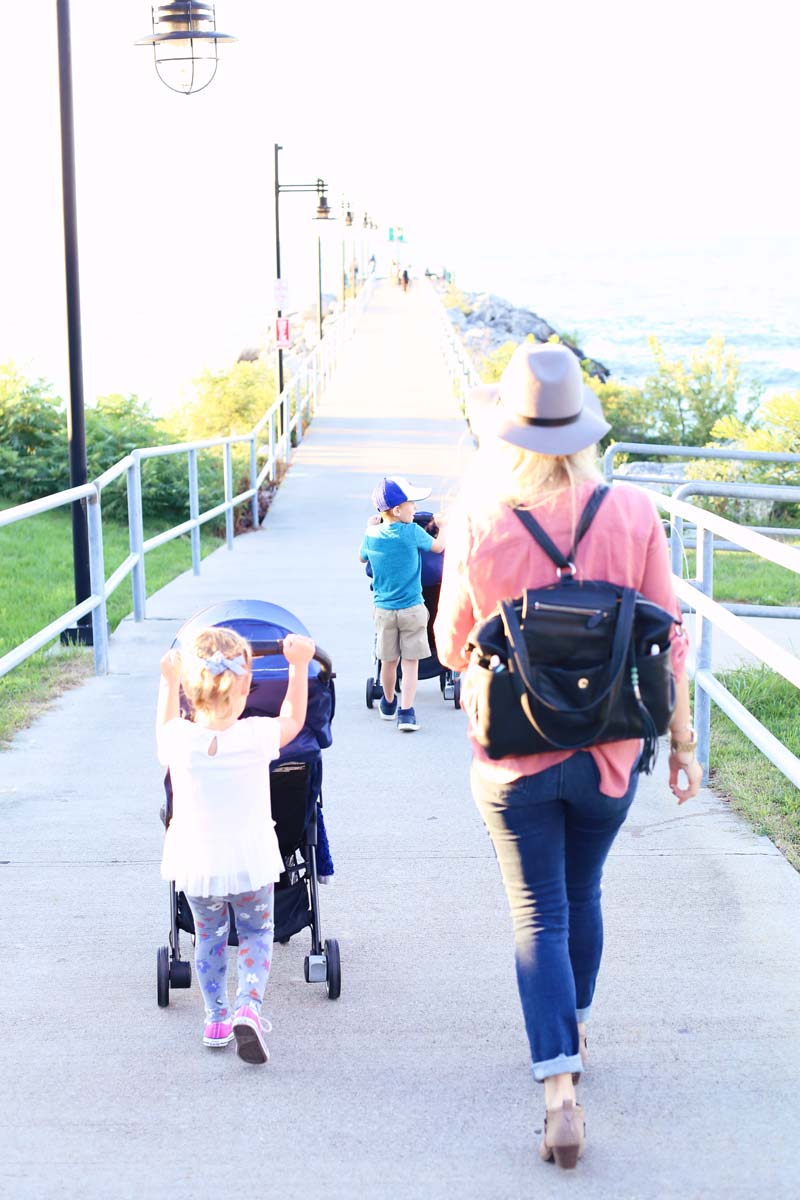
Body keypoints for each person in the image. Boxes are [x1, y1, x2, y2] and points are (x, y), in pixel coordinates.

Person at [433, 341, 702, 1169]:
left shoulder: (478, 521)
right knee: (581, 893)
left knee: (536, 913)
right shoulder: (634, 512)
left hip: (514, 761)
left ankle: (559, 1087)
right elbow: (669, 639)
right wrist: (684, 743)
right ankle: (571, 1024)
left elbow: (449, 647)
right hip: (613, 752)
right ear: (582, 428)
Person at [156, 625, 315, 1065]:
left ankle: (216, 1018)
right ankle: (248, 1006)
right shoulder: (255, 736)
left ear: (190, 689)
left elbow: (165, 726)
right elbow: (294, 720)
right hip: (250, 860)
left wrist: (167, 682)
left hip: (198, 861)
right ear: (246, 686)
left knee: (209, 935)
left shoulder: (179, 740)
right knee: (256, 932)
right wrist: (298, 666)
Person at [360, 475, 445, 731]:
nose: (415, 509)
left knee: (389, 662)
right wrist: (444, 525)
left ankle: (387, 703)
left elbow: (362, 558)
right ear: (398, 510)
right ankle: (406, 712)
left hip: (384, 611)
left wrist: (369, 526)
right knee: (410, 664)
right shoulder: (411, 532)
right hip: (412, 609)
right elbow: (439, 548)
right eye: (412, 505)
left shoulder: (372, 535)